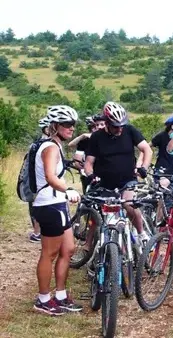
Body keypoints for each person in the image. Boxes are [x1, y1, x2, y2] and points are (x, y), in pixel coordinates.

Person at [31, 105, 82, 315]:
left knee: (68, 249)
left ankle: (60, 295)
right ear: (54, 126)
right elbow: (51, 176)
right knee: (49, 253)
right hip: (48, 204)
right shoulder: (50, 148)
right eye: (66, 124)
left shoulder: (55, 145)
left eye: (73, 124)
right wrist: (68, 188)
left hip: (57, 204)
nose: (71, 128)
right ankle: (43, 299)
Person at [83, 101, 153, 252]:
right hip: (105, 183)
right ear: (107, 123)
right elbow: (88, 162)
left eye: (122, 125)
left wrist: (143, 168)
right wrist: (90, 175)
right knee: (99, 214)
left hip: (127, 180)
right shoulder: (96, 137)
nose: (119, 129)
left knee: (129, 204)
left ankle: (141, 233)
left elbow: (147, 150)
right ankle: (94, 249)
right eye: (115, 126)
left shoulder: (129, 131)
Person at [28, 116, 52, 243]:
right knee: (40, 206)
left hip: (41, 180)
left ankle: (40, 232)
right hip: (41, 181)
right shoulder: (42, 144)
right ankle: (37, 233)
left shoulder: (40, 143)